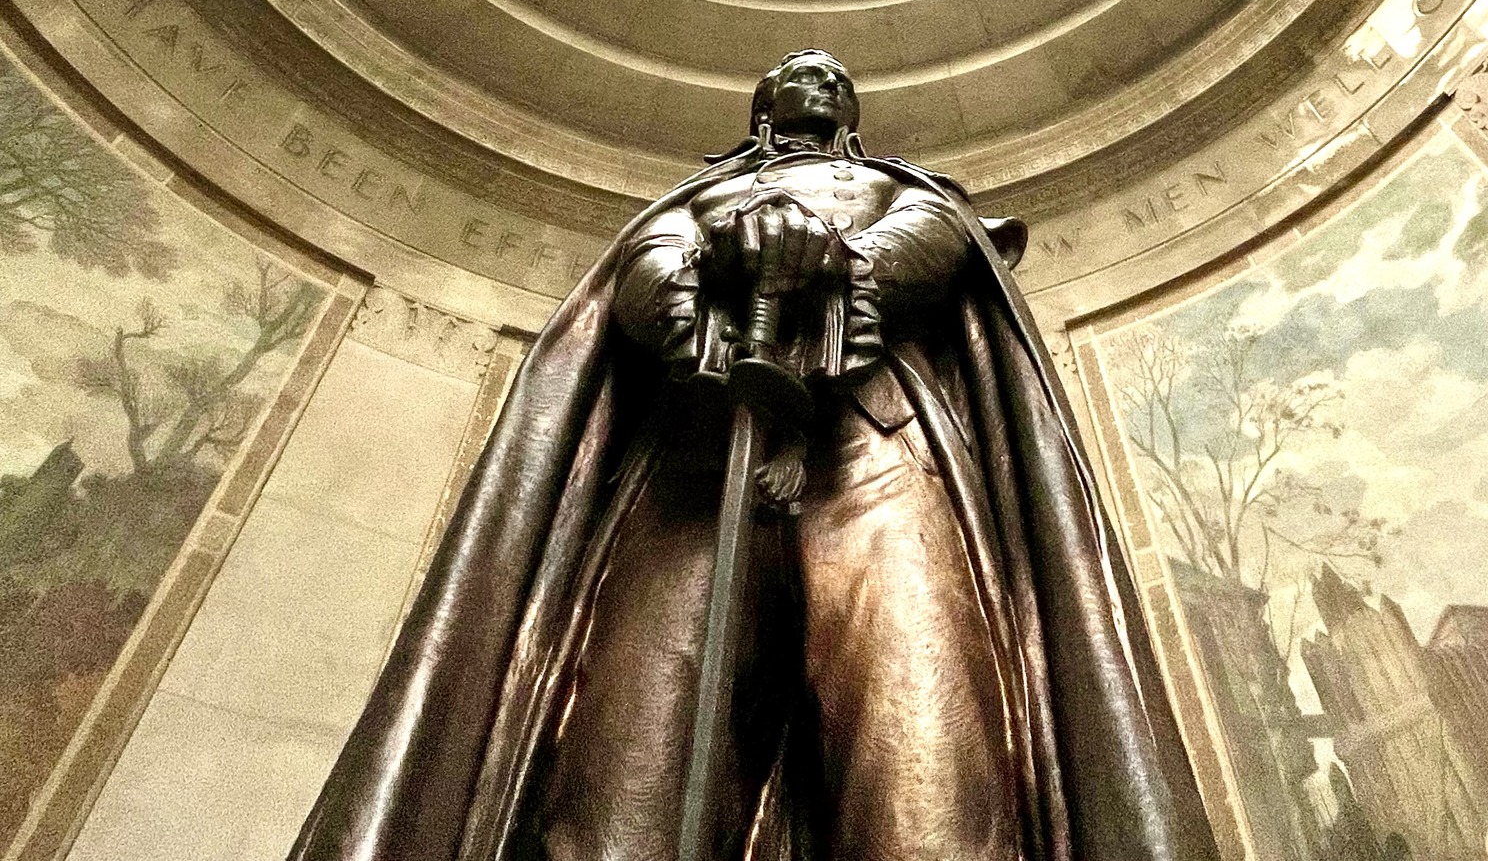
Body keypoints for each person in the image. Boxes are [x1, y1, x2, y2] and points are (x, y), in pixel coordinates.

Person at [290, 51, 1219, 861]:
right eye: (797, 75)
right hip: (694, 463)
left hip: (880, 453)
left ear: (850, 119)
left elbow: (938, 237)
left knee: (924, 760)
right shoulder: (698, 198)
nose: (819, 80)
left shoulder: (905, 188)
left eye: (834, 79)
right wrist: (697, 293)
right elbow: (643, 273)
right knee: (628, 761)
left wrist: (839, 261)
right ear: (761, 110)